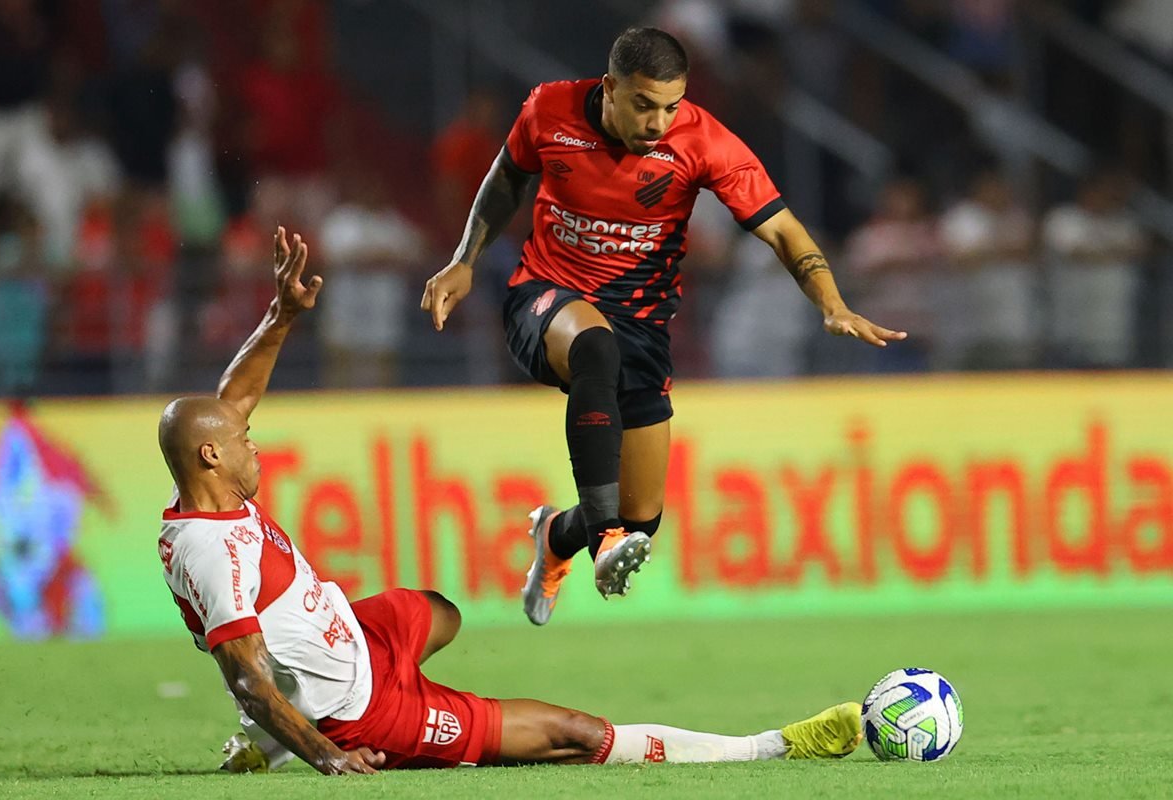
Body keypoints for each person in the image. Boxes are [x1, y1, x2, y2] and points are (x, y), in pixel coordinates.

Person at [157, 226, 862, 774]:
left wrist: (280, 314)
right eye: (244, 441)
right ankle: (768, 747)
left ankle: (280, 733)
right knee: (571, 735)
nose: (259, 447)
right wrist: (327, 753)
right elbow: (247, 676)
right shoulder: (214, 553)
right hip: (362, 710)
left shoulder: (202, 486)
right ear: (212, 455)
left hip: (358, 638)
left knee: (440, 613)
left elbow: (232, 400)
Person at [420, 27, 905, 626]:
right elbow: (506, 180)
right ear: (609, 89)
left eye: (670, 106)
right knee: (595, 350)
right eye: (643, 104)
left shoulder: (702, 141)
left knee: (642, 516)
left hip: (642, 325)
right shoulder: (549, 109)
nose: (657, 122)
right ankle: (602, 539)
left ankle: (559, 535)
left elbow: (781, 229)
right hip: (545, 297)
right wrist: (464, 260)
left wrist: (830, 301)